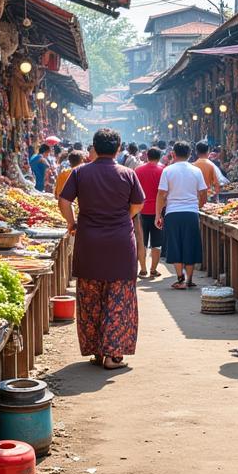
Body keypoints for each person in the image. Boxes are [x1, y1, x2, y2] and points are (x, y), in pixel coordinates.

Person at [58, 128, 144, 370]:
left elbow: (63, 201)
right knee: (119, 298)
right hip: (120, 244)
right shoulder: (127, 174)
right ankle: (112, 356)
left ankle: (96, 350)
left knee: (90, 299)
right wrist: (124, 217)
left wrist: (72, 222)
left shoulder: (79, 173)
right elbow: (138, 203)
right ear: (118, 149)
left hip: (89, 243)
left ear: (93, 148)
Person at [155, 142, 207, 289]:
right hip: (191, 213)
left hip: (173, 213)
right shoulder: (196, 171)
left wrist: (158, 214)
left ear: (173, 154)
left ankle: (180, 279)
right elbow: (203, 192)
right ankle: (189, 280)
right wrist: (199, 205)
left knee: (175, 245)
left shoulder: (168, 170)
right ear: (190, 154)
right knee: (190, 244)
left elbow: (161, 194)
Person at [135, 147, 165, 278]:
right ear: (159, 156)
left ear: (147, 156)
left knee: (141, 241)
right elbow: (165, 193)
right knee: (157, 242)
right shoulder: (163, 171)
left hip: (140, 211)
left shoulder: (138, 170)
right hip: (158, 212)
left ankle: (142, 269)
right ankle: (153, 269)